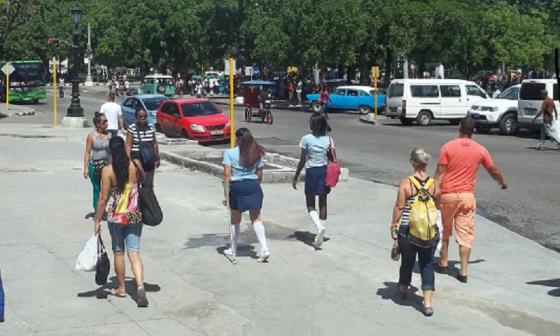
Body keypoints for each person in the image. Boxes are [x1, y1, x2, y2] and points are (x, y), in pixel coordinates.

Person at [434, 116, 507, 283]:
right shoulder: (480, 150)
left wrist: (433, 193)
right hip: (466, 196)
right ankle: (463, 271)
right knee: (465, 233)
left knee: (444, 231)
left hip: (447, 195)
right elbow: (493, 170)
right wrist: (502, 181)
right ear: (473, 131)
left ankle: (443, 263)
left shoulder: (448, 147)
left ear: (459, 127)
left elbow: (440, 173)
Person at [93, 137, 148, 307]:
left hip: (116, 217)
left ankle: (121, 288)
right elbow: (143, 181)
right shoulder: (135, 164)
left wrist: (96, 220)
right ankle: (140, 286)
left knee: (118, 252)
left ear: (110, 151)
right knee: (134, 252)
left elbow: (103, 198)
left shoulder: (108, 170)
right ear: (124, 148)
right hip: (135, 214)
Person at [390, 148, 439, 317]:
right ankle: (427, 303)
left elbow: (399, 207)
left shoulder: (406, 182)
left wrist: (393, 225)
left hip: (408, 230)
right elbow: (438, 206)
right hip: (428, 231)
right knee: (427, 264)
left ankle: (403, 288)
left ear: (412, 162)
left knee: (408, 261)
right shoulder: (434, 184)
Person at [222, 128, 270, 262]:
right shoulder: (257, 153)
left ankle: (233, 248)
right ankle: (264, 248)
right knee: (256, 218)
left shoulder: (230, 153)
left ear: (238, 139)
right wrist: (255, 185)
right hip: (253, 185)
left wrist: (226, 194)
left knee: (235, 219)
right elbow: (260, 174)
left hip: (237, 187)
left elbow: (226, 175)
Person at [293, 113, 333, 249]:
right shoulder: (328, 140)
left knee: (310, 204)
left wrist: (296, 176)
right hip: (324, 171)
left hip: (312, 172)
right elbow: (332, 158)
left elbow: (303, 160)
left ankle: (319, 227)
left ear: (312, 125)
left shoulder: (306, 139)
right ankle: (322, 227)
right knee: (323, 202)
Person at [83, 112, 111, 214]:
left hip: (106, 167)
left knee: (106, 190)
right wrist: (85, 168)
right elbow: (87, 152)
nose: (106, 123)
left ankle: (103, 208)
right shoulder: (91, 136)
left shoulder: (109, 135)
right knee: (96, 188)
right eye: (104, 122)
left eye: (106, 121)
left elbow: (112, 152)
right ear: (98, 124)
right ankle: (97, 211)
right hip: (93, 166)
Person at [126, 107, 159, 188]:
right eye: (140, 116)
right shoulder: (132, 128)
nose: (142, 118)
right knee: (137, 183)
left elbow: (154, 143)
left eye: (144, 116)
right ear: (136, 117)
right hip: (137, 159)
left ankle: (148, 199)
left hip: (149, 159)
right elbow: (128, 145)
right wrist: (128, 160)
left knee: (148, 183)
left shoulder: (151, 127)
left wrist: (157, 158)